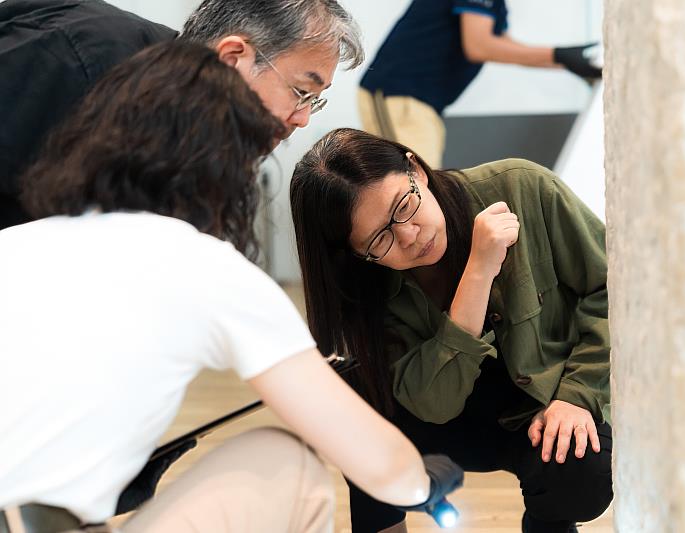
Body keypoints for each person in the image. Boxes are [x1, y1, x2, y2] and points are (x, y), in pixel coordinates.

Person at [0, 43, 463, 533]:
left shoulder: (15, 243)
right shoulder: (203, 266)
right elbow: (378, 463)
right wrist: (421, 482)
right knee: (286, 461)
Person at [290, 128, 612, 533]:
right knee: (360, 423)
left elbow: (613, 291)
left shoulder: (520, 186)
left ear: (416, 169)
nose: (409, 236)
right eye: (379, 239)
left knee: (581, 473)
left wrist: (577, 396)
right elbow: (435, 405)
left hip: (543, 400)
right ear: (357, 254)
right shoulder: (365, 288)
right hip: (445, 415)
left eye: (403, 206)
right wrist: (478, 271)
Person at [0, 0, 363, 230]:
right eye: (301, 91)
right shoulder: (84, 55)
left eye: (314, 101)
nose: (302, 119)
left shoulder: (201, 148)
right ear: (233, 57)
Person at [358, 0, 601, 169]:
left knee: (425, 186)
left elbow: (501, 43)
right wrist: (559, 56)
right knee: (417, 189)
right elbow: (478, 45)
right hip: (397, 94)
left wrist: (568, 61)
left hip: (418, 102)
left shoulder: (496, 5)